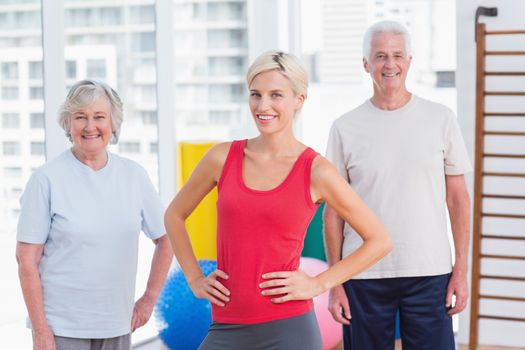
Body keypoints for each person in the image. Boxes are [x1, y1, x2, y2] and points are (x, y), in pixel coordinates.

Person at [164, 50, 392, 350]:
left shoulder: (316, 170)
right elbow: (174, 215)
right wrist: (194, 278)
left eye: (276, 95)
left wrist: (319, 283)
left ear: (299, 100)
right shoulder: (221, 158)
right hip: (226, 327)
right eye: (255, 95)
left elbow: (379, 240)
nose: (263, 105)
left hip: (289, 330)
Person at [324, 20, 472, 350]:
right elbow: (333, 213)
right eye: (380, 56)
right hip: (362, 274)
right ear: (366, 64)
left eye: (397, 55)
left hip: (429, 271)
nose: (389, 64)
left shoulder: (441, 119)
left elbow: (459, 200)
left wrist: (460, 270)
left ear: (409, 61)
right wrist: (336, 283)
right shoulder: (344, 127)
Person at [16, 80, 173, 350]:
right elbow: (26, 260)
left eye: (99, 117)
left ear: (113, 123)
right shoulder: (46, 180)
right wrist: (41, 331)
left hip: (117, 323)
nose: (90, 126)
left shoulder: (134, 176)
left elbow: (166, 239)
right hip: (60, 327)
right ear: (68, 124)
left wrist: (149, 299)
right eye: (80, 117)